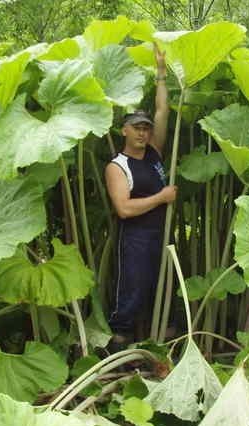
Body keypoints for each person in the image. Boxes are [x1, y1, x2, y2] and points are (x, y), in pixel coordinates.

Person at [104, 45, 177, 348]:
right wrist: (161, 197)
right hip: (134, 240)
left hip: (162, 235)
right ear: (124, 130)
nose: (143, 134)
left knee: (163, 292)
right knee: (131, 295)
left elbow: (163, 111)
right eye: (136, 128)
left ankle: (161, 351)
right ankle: (117, 352)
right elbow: (124, 209)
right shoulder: (117, 166)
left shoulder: (155, 152)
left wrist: (161, 73)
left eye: (146, 129)